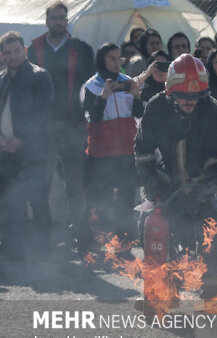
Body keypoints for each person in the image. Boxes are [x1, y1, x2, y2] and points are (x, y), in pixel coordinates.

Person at [134, 54, 217, 259]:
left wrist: (215, 181)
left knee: (214, 240)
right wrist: (150, 184)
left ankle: (212, 286)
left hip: (202, 187)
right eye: (183, 96)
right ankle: (162, 284)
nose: (189, 101)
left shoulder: (212, 110)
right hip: (164, 185)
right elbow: (143, 151)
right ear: (171, 93)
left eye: (195, 97)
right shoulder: (156, 107)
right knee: (152, 233)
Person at [27, 1, 94, 247]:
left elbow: (91, 86)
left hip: (73, 125)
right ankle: (44, 234)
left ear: (67, 21)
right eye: (53, 18)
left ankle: (80, 232)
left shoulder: (82, 49)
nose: (57, 21)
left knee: (75, 181)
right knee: (41, 180)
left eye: (61, 18)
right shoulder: (33, 49)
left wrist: (85, 119)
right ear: (46, 21)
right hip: (42, 127)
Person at [80, 43, 143, 251]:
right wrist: (104, 96)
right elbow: (91, 117)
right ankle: (98, 241)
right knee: (101, 199)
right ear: (102, 60)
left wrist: (137, 96)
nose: (117, 63)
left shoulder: (127, 82)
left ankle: (123, 242)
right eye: (112, 59)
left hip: (126, 151)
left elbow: (138, 114)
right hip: (101, 154)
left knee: (126, 198)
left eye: (119, 59)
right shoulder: (90, 86)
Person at [0, 32, 55, 261]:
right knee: (11, 201)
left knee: (38, 200)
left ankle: (43, 254)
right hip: (5, 152)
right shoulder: (1, 79)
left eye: (16, 51)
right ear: (2, 55)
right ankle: (16, 252)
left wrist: (21, 139)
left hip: (34, 152)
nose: (12, 56)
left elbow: (42, 114)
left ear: (23, 51)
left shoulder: (39, 76)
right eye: (8, 52)